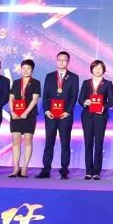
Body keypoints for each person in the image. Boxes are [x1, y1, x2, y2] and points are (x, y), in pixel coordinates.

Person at [39, 51, 80, 180]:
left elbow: (74, 96)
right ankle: (46, 169)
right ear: (56, 61)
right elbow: (45, 95)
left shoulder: (74, 77)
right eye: (59, 59)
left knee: (65, 143)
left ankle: (64, 170)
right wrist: (46, 110)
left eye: (64, 60)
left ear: (68, 62)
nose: (61, 62)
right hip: (51, 115)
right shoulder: (49, 76)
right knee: (49, 142)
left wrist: (67, 111)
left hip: (65, 116)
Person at [78, 59, 113, 180]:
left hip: (100, 116)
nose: (97, 70)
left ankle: (97, 172)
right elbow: (80, 99)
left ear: (103, 70)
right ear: (92, 69)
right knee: (88, 142)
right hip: (87, 116)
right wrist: (85, 102)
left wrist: (103, 107)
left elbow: (112, 101)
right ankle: (88, 171)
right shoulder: (86, 83)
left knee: (99, 143)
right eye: (95, 68)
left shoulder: (108, 83)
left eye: (100, 68)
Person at [8, 59, 41, 177]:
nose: (25, 70)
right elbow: (11, 98)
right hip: (16, 115)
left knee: (28, 140)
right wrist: (12, 111)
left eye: (28, 68)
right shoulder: (16, 83)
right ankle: (16, 168)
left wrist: (26, 112)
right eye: (23, 68)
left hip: (29, 115)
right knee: (15, 141)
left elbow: (35, 99)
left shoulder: (36, 83)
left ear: (32, 70)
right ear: (20, 69)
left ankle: (24, 168)